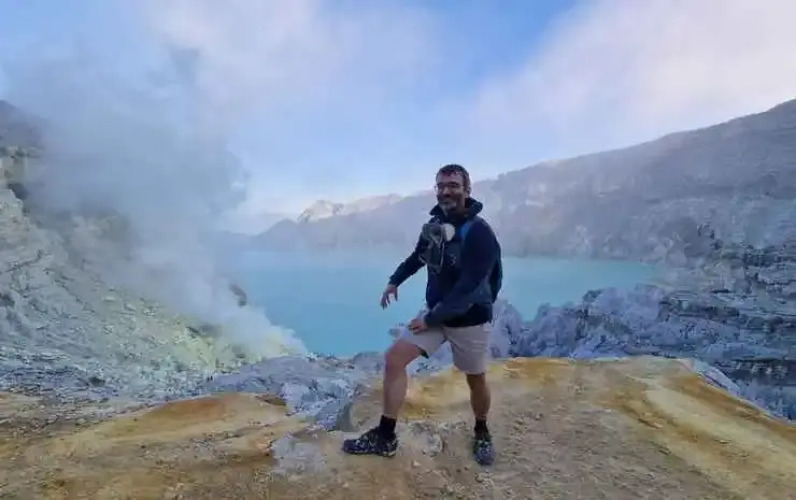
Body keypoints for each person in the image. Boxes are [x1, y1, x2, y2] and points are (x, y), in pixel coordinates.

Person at [341, 163, 503, 466]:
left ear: (467, 190)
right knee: (394, 359)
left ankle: (481, 430)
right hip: (436, 314)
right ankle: (385, 437)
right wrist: (395, 280)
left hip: (470, 318)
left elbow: (468, 288)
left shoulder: (480, 234)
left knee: (475, 379)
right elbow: (418, 257)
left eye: (453, 185)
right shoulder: (434, 226)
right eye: (441, 186)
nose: (446, 191)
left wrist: (429, 319)